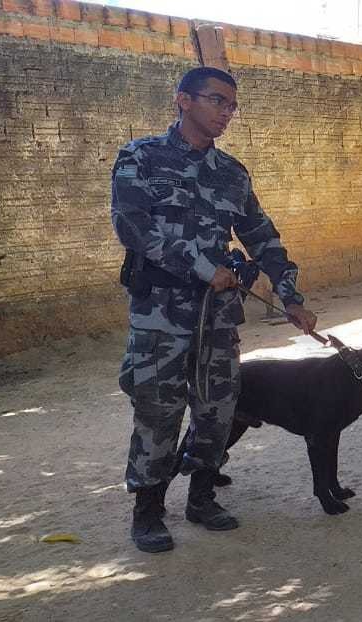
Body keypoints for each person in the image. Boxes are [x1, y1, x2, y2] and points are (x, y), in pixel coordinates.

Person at [112, 66, 318, 552]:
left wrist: (290, 295)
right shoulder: (140, 159)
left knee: (218, 409)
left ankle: (201, 497)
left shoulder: (231, 174)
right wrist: (204, 268)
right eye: (216, 101)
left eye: (231, 105)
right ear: (183, 100)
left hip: (219, 316)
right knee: (158, 410)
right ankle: (148, 510)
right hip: (160, 314)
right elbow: (133, 229)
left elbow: (263, 238)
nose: (226, 112)